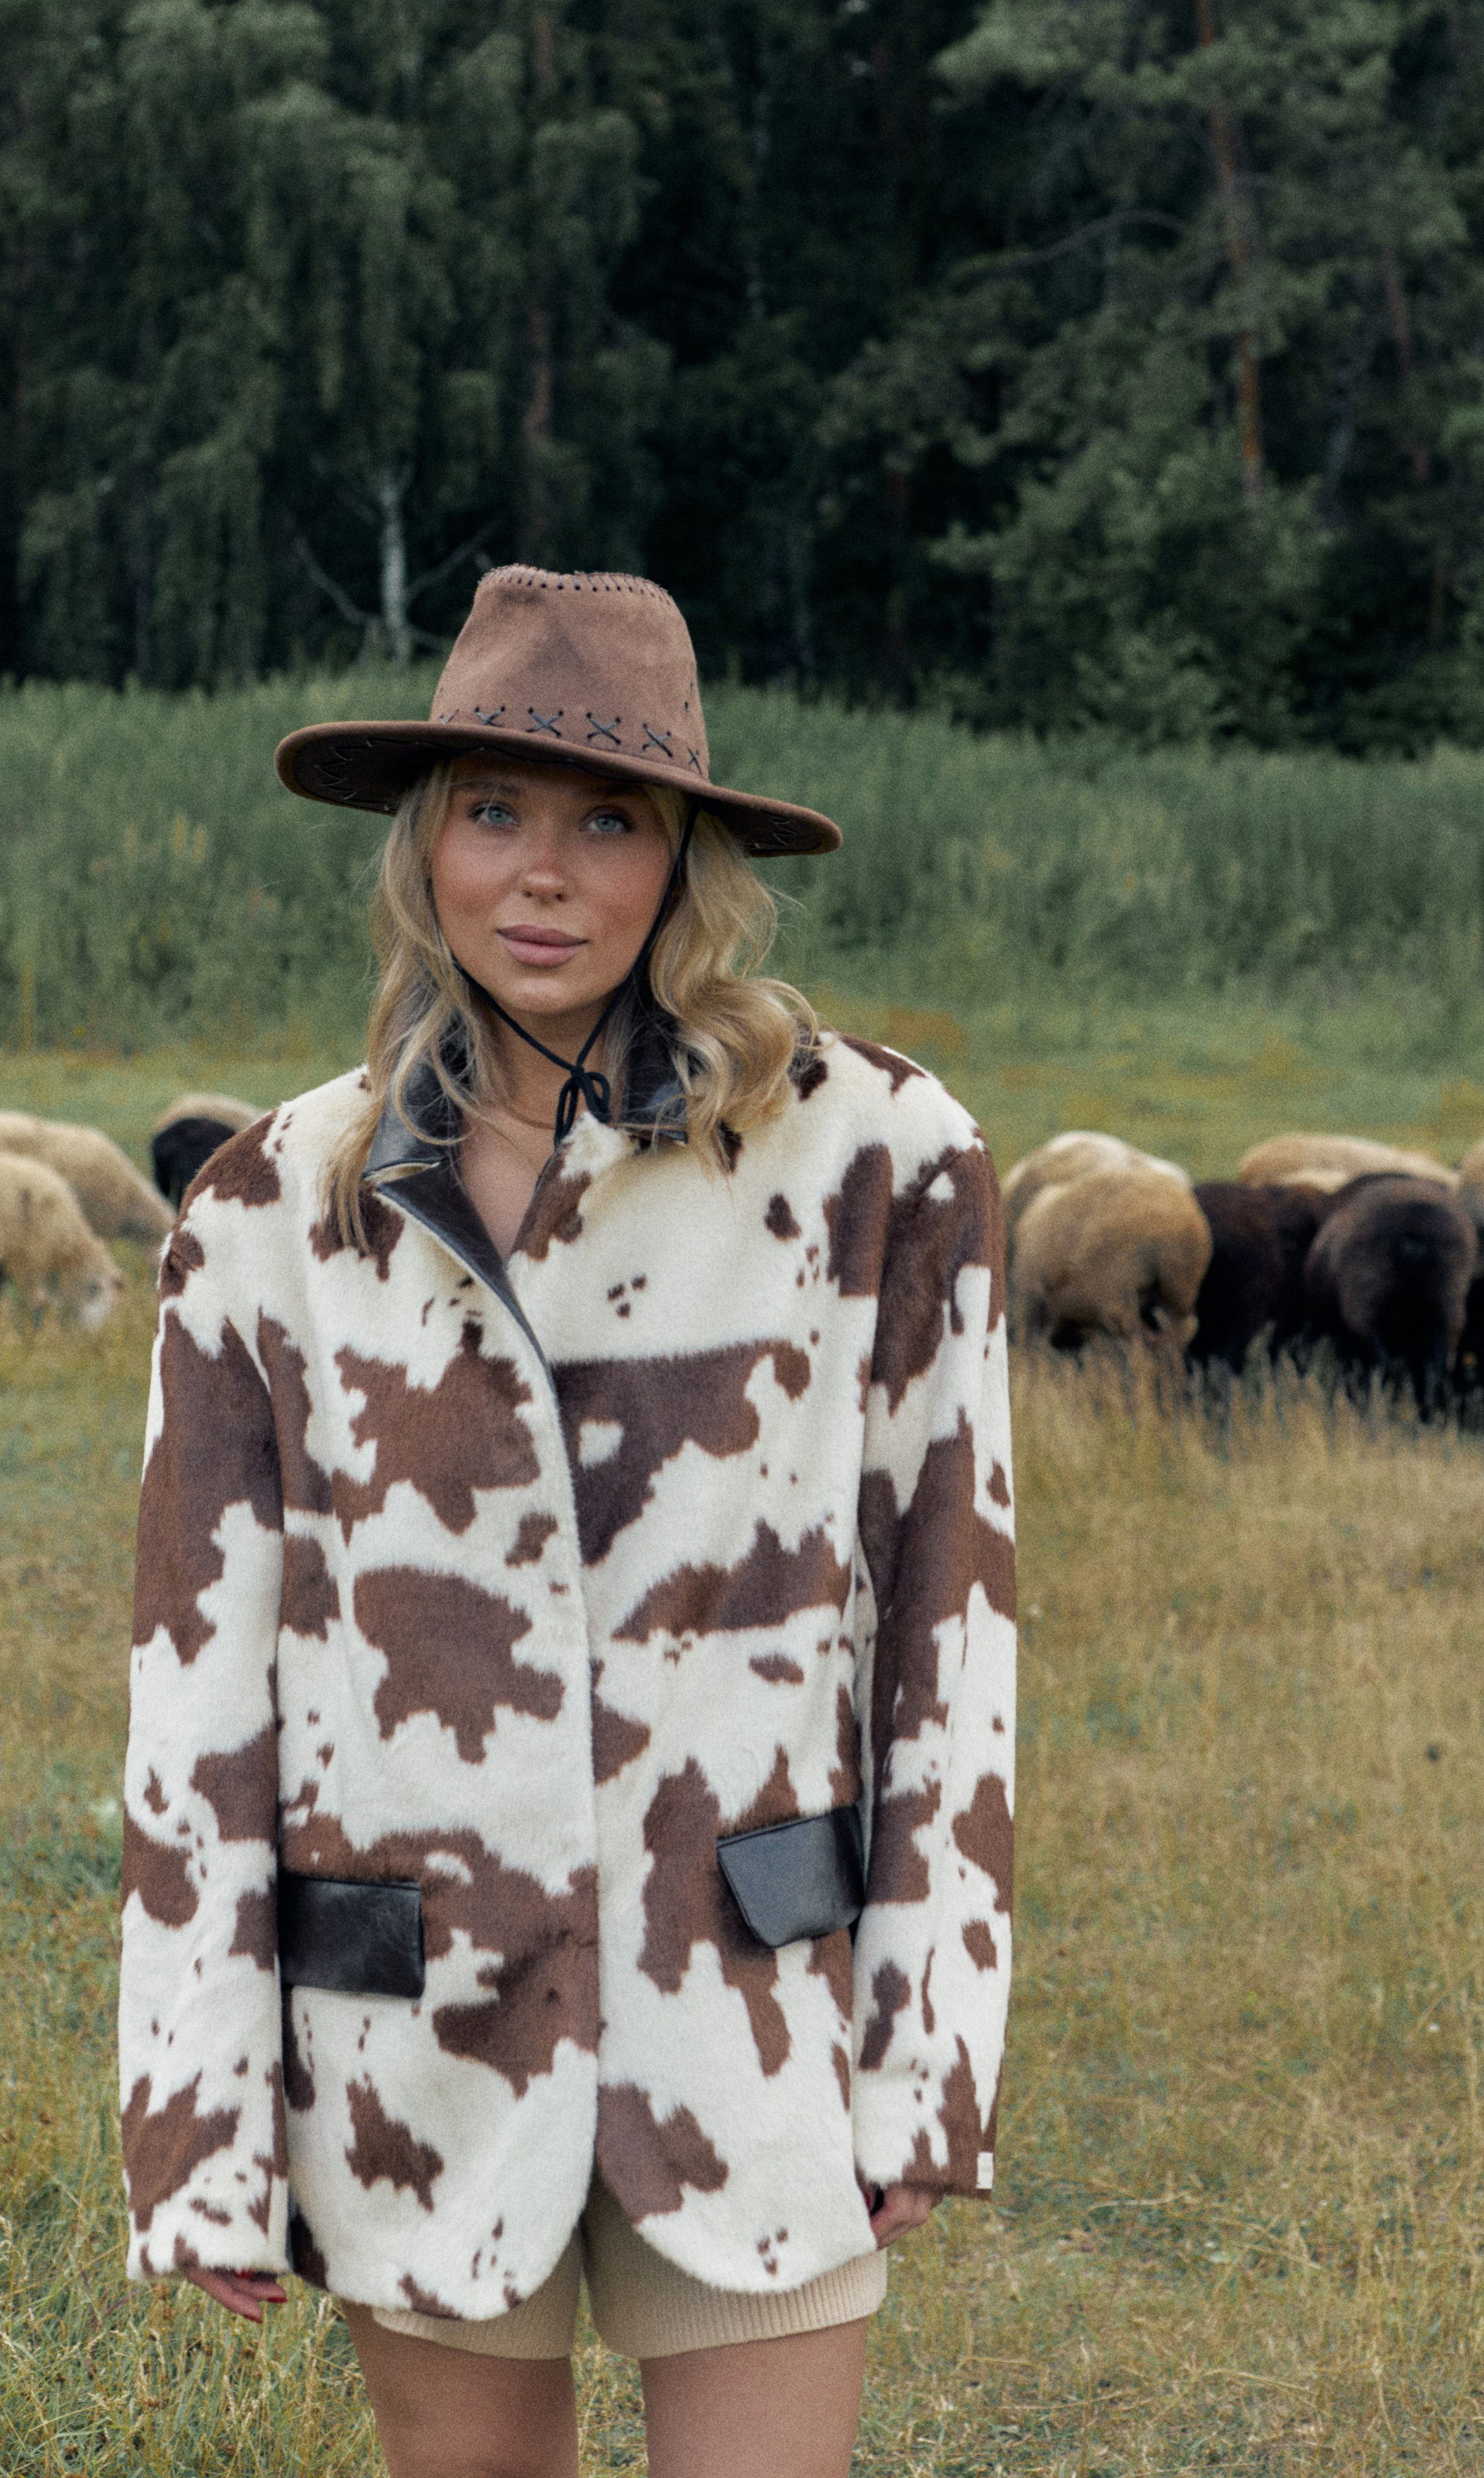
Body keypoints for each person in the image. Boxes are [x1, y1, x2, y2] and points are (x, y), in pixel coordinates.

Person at [117, 566, 1016, 2478]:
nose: (542, 873)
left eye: (606, 819)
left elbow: (953, 1626)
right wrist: (190, 2117)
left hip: (749, 2013)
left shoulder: (876, 1160)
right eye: (491, 812)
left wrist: (929, 2047)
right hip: (413, 2028)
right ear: (423, 842)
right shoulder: (271, 1212)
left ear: (685, 855)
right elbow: (196, 1701)